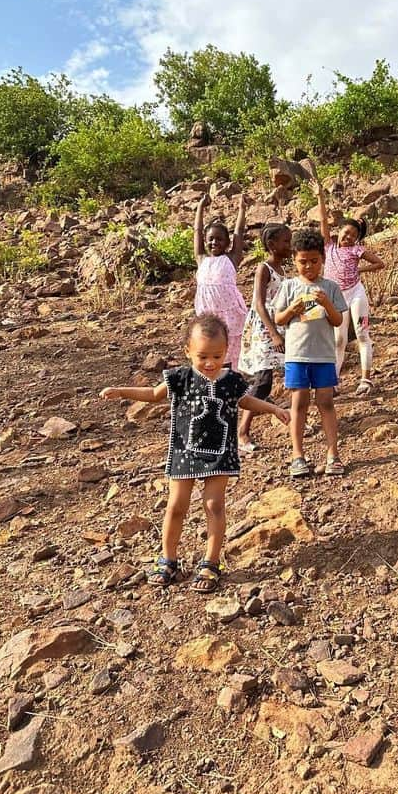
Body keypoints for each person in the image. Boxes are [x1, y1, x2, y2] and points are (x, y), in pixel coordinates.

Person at [100, 314, 289, 592]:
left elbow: (246, 400)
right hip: (185, 452)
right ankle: (168, 559)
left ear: (226, 352)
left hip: (219, 454)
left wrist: (273, 408)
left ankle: (211, 563)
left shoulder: (231, 381)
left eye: (217, 355)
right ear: (188, 351)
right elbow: (154, 394)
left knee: (214, 505)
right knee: (176, 506)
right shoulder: (180, 378)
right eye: (202, 356)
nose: (210, 363)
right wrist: (122, 391)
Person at [273, 227, 347, 478]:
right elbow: (279, 319)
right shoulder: (289, 286)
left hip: (324, 355)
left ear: (323, 260)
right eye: (303, 262)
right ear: (294, 260)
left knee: (325, 401)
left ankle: (333, 454)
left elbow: (337, 321)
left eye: (314, 261)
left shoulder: (330, 287)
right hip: (297, 355)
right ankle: (297, 455)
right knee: (299, 402)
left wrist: (326, 303)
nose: (308, 267)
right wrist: (293, 309)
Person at [313, 169, 386, 396]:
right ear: (339, 231)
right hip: (337, 297)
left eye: (353, 234)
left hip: (355, 293)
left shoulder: (357, 250)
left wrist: (359, 268)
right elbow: (323, 220)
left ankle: (366, 379)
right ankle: (333, 382)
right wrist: (320, 197)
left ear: (357, 238)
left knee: (362, 334)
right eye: (346, 232)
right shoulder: (329, 246)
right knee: (338, 339)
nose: (348, 237)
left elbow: (379, 263)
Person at [236, 223, 292, 454]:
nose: (289, 246)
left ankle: (293, 419)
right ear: (271, 245)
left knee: (289, 374)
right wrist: (274, 333)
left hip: (278, 325)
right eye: (285, 242)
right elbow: (259, 304)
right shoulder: (264, 268)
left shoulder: (281, 268)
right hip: (264, 328)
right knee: (263, 379)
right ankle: (242, 431)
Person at [193, 192, 248, 370]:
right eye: (211, 239)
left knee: (230, 352)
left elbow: (239, 233)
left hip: (230, 315)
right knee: (208, 347)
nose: (214, 242)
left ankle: (232, 384)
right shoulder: (201, 258)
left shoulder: (231, 259)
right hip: (207, 313)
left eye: (219, 239)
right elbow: (197, 232)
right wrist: (200, 207)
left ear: (227, 243)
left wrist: (242, 210)